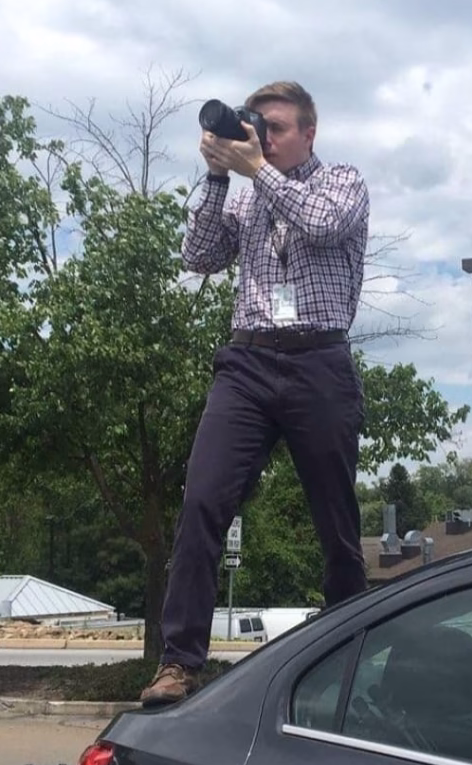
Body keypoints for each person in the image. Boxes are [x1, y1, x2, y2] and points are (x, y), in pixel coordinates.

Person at [139, 80, 370, 706]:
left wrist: (255, 170)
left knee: (335, 519)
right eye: (255, 127)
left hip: (318, 360)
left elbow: (321, 225)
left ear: (309, 133)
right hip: (247, 361)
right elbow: (197, 256)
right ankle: (179, 661)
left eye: (276, 129)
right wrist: (217, 177)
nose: (262, 138)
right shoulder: (245, 196)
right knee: (201, 501)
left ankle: (352, 656)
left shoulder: (341, 182)